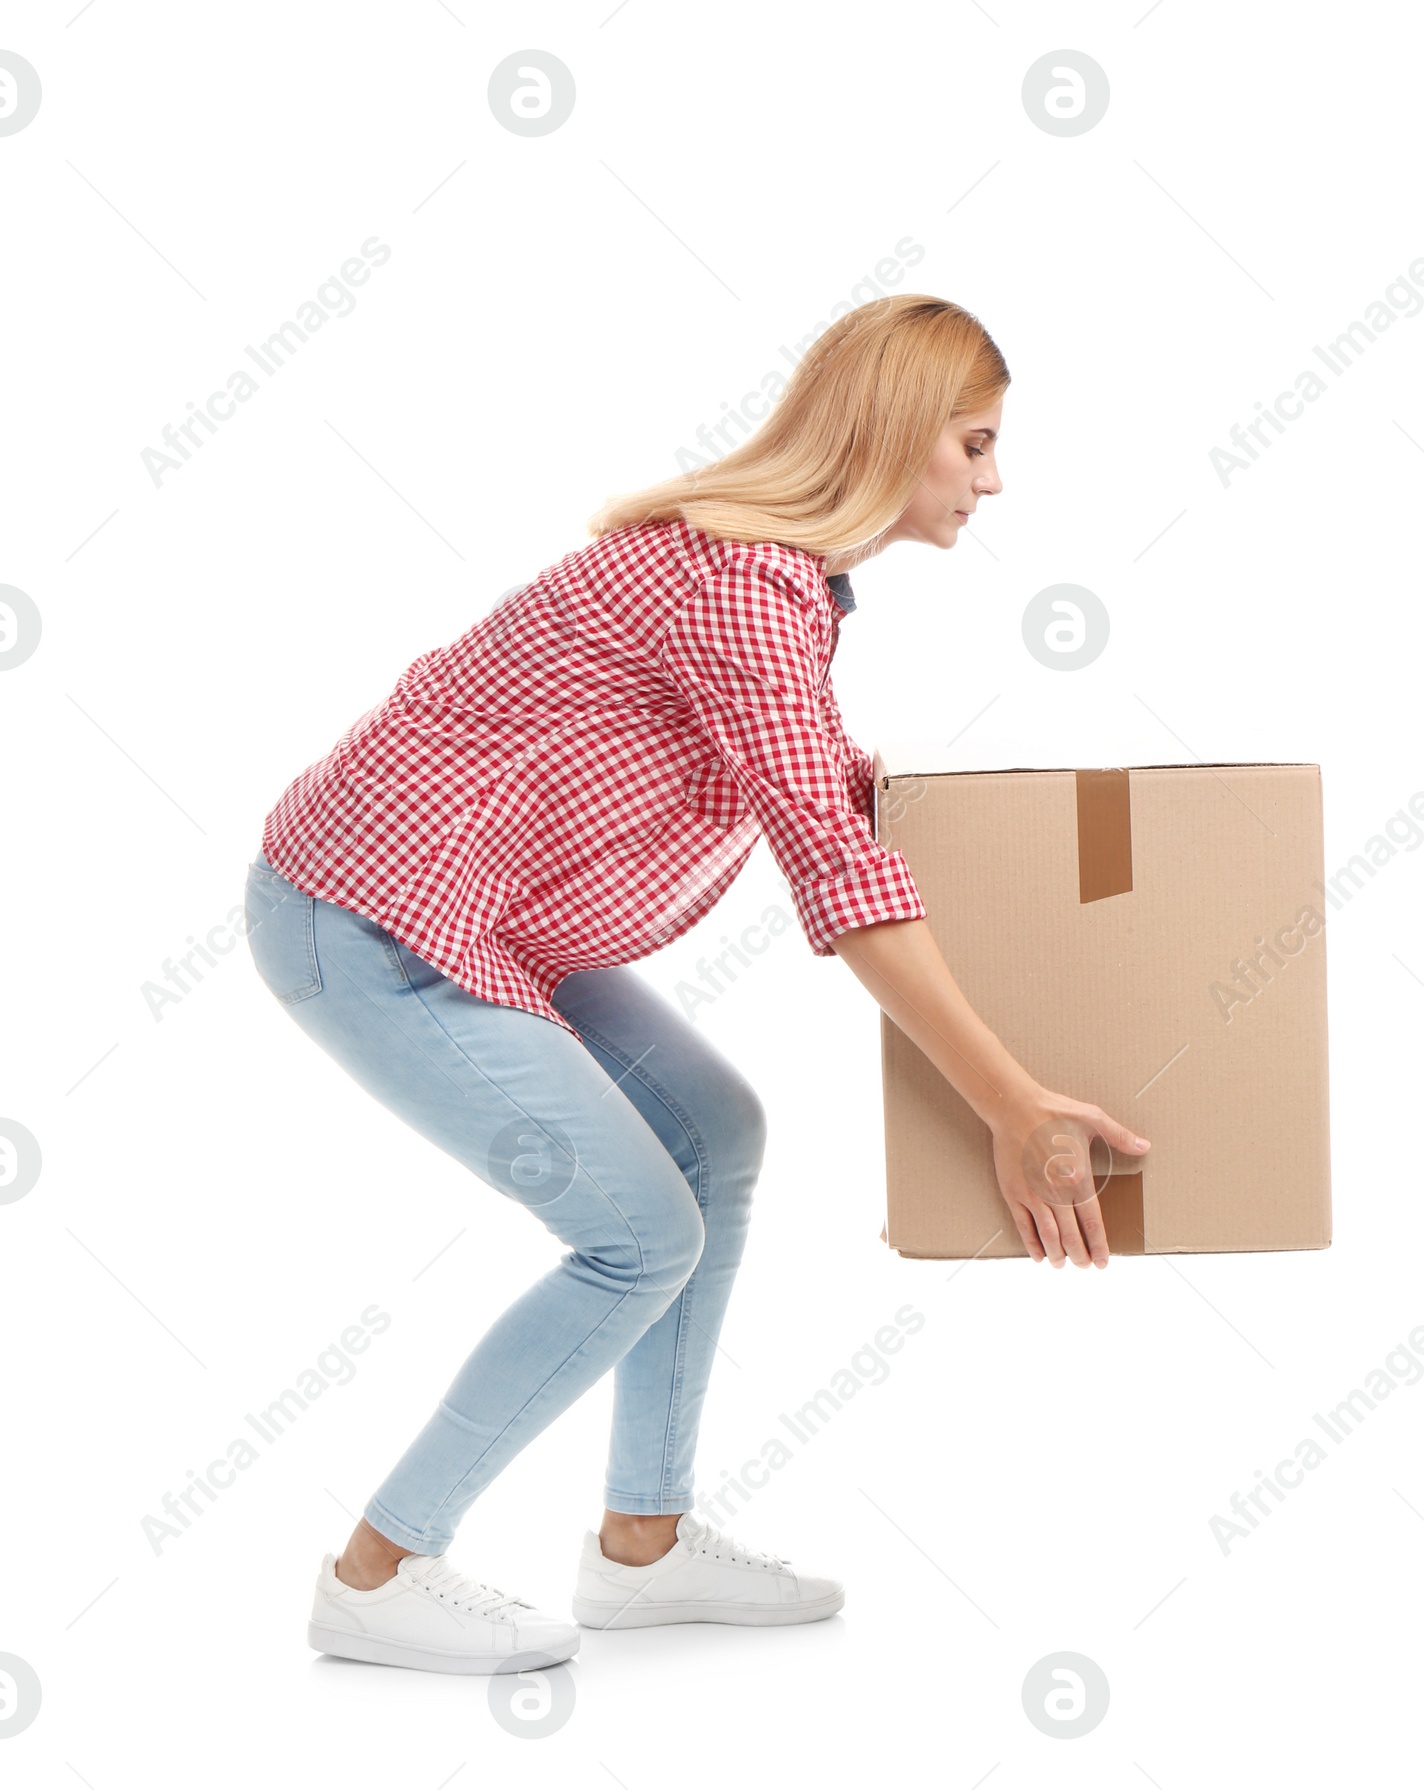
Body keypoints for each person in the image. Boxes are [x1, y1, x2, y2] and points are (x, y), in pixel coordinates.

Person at [243, 293, 1151, 1676]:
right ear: (897, 432)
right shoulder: (740, 586)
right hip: (369, 918)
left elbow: (811, 783)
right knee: (636, 1233)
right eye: (973, 444)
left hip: (485, 915)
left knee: (716, 1133)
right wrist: (1013, 1103)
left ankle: (644, 1546)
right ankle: (378, 1568)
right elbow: (833, 875)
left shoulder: (782, 583)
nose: (993, 478)